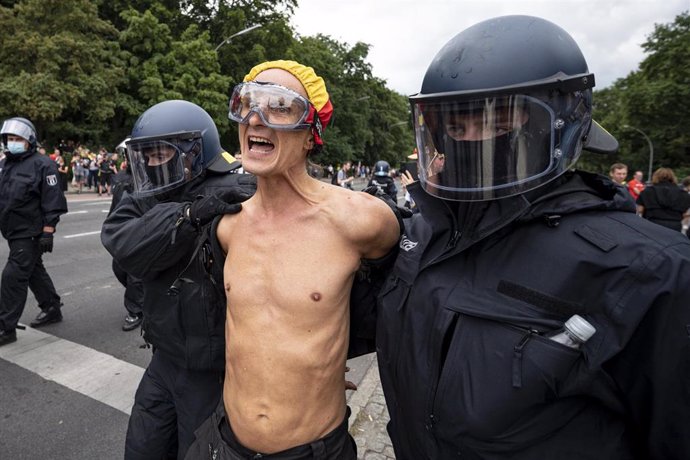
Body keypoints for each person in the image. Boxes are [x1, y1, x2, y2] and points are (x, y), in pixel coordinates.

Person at [368, 15, 690, 459]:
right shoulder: (423, 236)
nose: (471, 143)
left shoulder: (651, 270)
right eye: (456, 128)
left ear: (560, 124)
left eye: (498, 124)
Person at [185, 60, 400, 459]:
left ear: (310, 136)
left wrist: (333, 358)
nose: (256, 119)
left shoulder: (361, 220)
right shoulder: (228, 227)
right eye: (247, 103)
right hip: (227, 443)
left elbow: (400, 294)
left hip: (314, 449)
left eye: (280, 107)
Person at [101, 100, 256, 459]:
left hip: (216, 369)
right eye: (144, 157)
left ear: (194, 152)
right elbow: (122, 242)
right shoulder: (147, 194)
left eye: (159, 155)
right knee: (142, 448)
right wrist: (187, 216)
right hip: (164, 358)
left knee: (199, 450)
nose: (150, 166)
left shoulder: (240, 188)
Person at [0, 117, 68, 346]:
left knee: (13, 276)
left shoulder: (43, 164)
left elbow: (52, 198)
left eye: (17, 138)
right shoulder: (7, 164)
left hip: (30, 231)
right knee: (33, 270)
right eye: (10, 138)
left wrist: (48, 230)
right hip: (12, 230)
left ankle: (5, 327)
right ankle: (51, 308)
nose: (13, 142)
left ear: (29, 140)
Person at [107, 138, 144, 331]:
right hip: (123, 230)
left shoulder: (149, 177)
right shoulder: (121, 177)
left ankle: (136, 310)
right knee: (119, 268)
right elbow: (115, 206)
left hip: (140, 230)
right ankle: (142, 299)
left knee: (134, 274)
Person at [635, 167, 690, 232]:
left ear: (655, 176)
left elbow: (640, 210)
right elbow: (686, 213)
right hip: (674, 226)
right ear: (673, 177)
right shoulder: (683, 193)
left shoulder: (647, 191)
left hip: (651, 224)